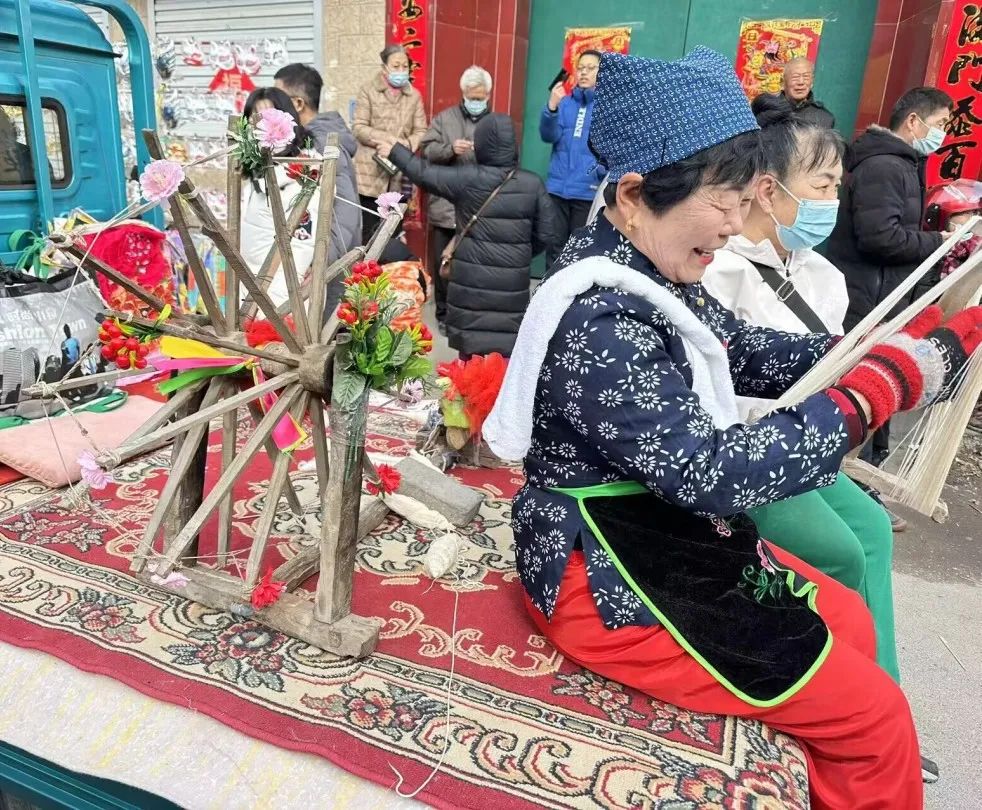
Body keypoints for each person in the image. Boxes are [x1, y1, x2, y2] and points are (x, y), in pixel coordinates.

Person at [483, 50, 982, 809]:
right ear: (634, 195)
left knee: (849, 617)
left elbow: (743, 349)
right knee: (877, 719)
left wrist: (878, 350)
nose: (734, 225)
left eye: (743, 200)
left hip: (658, 532)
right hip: (608, 570)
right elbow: (709, 472)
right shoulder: (600, 313)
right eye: (723, 201)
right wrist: (874, 391)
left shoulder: (647, 268)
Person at [700, 94, 905, 693]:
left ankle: (882, 685)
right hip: (747, 452)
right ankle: (836, 683)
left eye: (837, 186)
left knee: (872, 530)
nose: (833, 200)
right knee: (837, 551)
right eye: (822, 185)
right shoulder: (718, 269)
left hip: (808, 447)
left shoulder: (824, 276)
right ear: (768, 190)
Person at [826, 86, 953, 464]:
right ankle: (853, 472)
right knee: (862, 391)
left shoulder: (904, 163)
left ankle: (866, 470)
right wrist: (938, 241)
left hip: (882, 296)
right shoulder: (885, 166)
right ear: (913, 121)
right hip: (867, 299)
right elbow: (880, 238)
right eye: (940, 123)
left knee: (878, 388)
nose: (943, 133)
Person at [376, 113, 559, 357]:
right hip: (511, 288)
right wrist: (520, 252)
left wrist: (396, 152)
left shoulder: (467, 178)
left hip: (470, 288)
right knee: (503, 362)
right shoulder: (532, 184)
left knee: (468, 362)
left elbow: (425, 173)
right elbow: (547, 233)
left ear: (481, 144)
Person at [419, 65, 493, 334]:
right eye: (472, 98)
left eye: (480, 98)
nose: (476, 102)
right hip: (446, 205)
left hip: (479, 205)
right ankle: (443, 314)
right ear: (463, 94)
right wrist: (450, 149)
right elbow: (427, 149)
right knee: (444, 264)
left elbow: (507, 155)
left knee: (474, 265)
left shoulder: (494, 122)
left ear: (488, 95)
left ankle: (469, 314)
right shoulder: (444, 119)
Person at [239, 88, 321, 310]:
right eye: (255, 121)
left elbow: (302, 246)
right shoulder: (255, 172)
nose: (262, 128)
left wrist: (273, 305)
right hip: (248, 286)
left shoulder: (305, 173)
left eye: (269, 119)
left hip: (280, 297)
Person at [273, 63, 362, 260]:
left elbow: (344, 212)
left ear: (298, 103)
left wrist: (320, 264)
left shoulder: (321, 144)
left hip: (323, 269)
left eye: (278, 99)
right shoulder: (302, 140)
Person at [352, 45, 427, 245]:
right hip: (369, 175)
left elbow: (421, 131)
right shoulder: (368, 90)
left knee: (393, 235)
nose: (401, 70)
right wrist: (386, 140)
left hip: (399, 173)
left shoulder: (414, 96)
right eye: (396, 66)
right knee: (368, 237)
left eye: (405, 66)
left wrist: (402, 145)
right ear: (384, 68)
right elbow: (359, 127)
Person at [540, 49, 606, 269]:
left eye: (590, 68)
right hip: (558, 190)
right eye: (580, 68)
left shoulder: (605, 107)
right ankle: (549, 289)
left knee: (580, 250)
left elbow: (610, 149)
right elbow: (548, 136)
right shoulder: (565, 103)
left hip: (586, 192)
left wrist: (597, 173)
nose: (584, 72)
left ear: (601, 72)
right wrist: (551, 107)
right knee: (554, 246)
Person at [769, 57, 835, 128]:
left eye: (806, 77)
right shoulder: (768, 111)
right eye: (795, 77)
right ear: (782, 82)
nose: (801, 82)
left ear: (812, 82)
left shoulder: (824, 118)